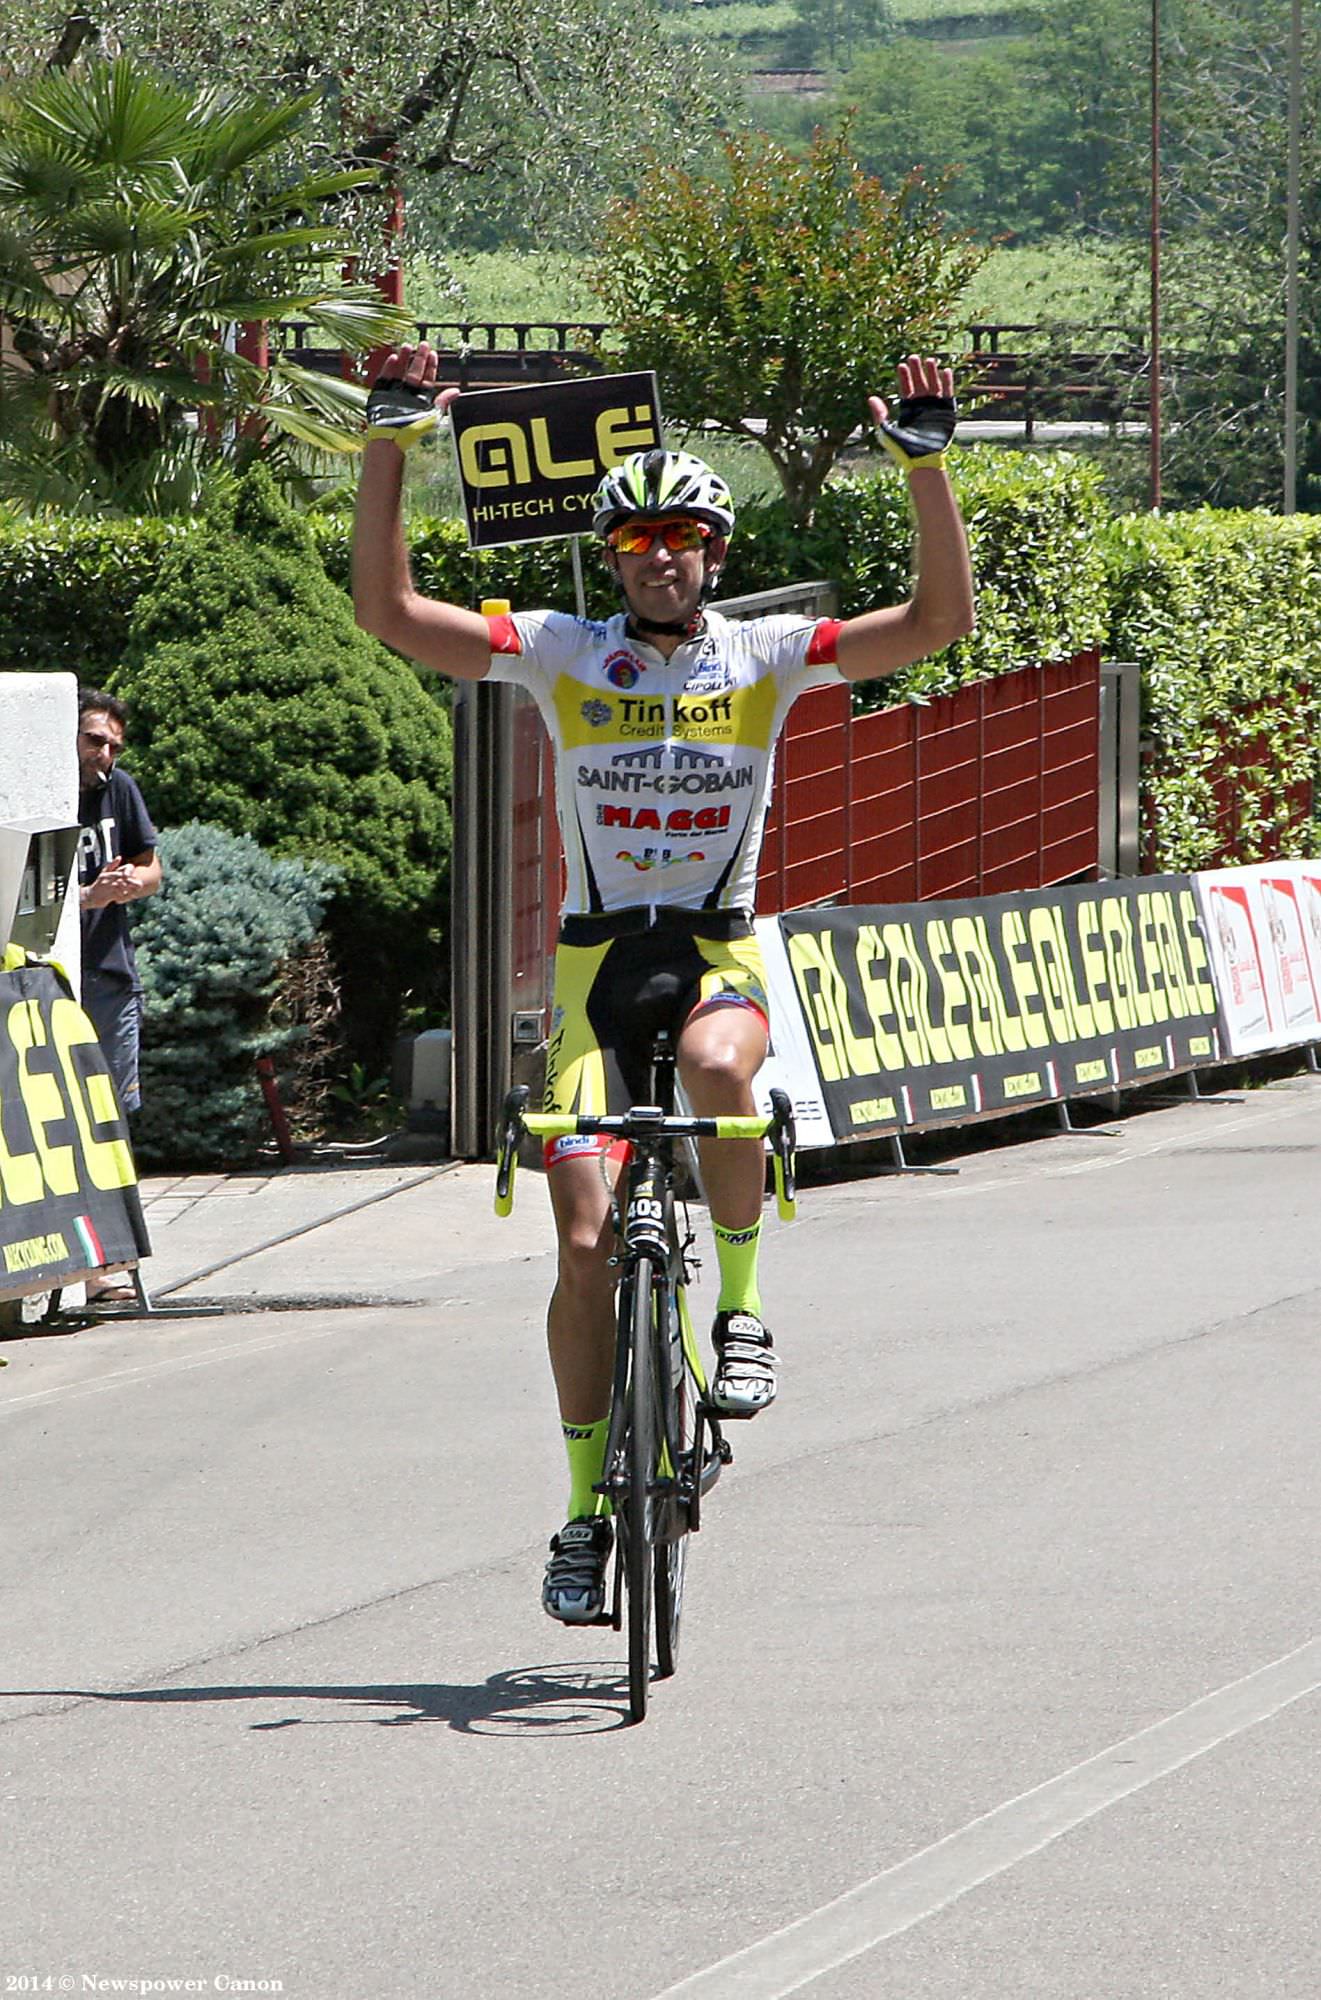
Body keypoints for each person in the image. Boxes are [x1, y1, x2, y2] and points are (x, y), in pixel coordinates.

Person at [353, 342, 975, 1623]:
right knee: (583, 1242)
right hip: (591, 965)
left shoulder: (762, 656)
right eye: (635, 536)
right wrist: (387, 445)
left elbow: (934, 626)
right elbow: (389, 616)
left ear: (715, 555)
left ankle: (741, 1311)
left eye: (683, 535)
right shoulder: (565, 649)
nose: (658, 553)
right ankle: (582, 1514)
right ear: (610, 551)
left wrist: (925, 471)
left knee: (714, 1067)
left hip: (715, 950)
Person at [76, 686, 162, 1183]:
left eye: (114, 746)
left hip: (111, 973)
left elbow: (152, 871)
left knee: (112, 1109)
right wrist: (91, 894)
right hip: (47, 974)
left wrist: (127, 885)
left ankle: (116, 1219)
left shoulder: (120, 789)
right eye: (94, 741)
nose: (104, 754)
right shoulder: (38, 792)